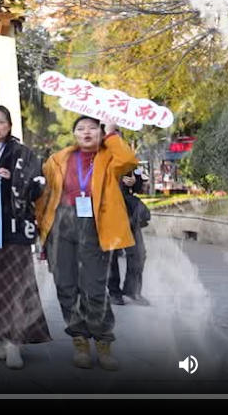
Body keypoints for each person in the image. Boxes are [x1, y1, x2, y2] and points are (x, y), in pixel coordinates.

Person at [37, 115, 138, 371]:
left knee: (94, 288)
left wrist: (112, 133)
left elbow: (128, 161)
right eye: (81, 128)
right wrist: (42, 231)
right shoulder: (58, 159)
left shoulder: (109, 157)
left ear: (100, 132)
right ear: (74, 134)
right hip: (61, 224)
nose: (86, 132)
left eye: (93, 128)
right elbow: (45, 193)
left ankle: (103, 341)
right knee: (66, 286)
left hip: (94, 225)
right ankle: (79, 340)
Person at [0, 105, 51, 370]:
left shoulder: (22, 153)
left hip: (14, 227)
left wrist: (13, 178)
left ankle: (15, 343)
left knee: (15, 284)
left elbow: (38, 185)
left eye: (1, 121)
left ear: (10, 125)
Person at [108, 169, 151, 306]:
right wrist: (117, 182)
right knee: (111, 253)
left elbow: (138, 188)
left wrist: (136, 182)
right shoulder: (99, 159)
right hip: (108, 209)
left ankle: (132, 291)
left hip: (128, 212)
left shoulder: (127, 162)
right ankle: (114, 292)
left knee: (138, 253)